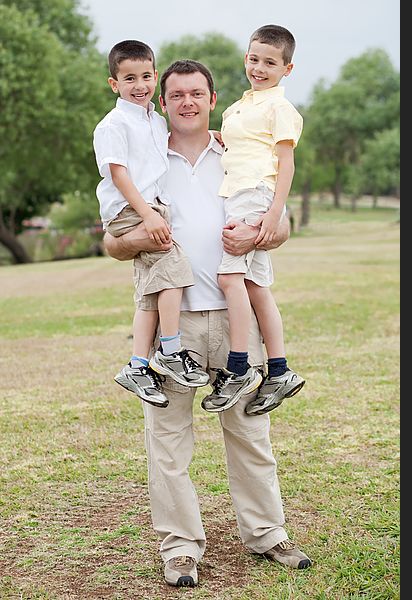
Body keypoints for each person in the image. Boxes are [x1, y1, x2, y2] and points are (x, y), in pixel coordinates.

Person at [104, 60, 312, 588]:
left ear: (213, 99)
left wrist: (258, 237)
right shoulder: (145, 159)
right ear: (162, 102)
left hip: (233, 317)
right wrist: (141, 238)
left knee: (249, 432)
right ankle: (179, 548)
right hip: (173, 325)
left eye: (197, 93)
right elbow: (111, 242)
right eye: (177, 95)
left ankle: (266, 534)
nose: (188, 102)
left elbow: (279, 224)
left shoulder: (238, 151)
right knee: (168, 441)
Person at [93, 40, 209, 408]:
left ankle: (138, 364)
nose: (139, 84)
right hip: (132, 207)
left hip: (150, 205)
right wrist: (147, 214)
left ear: (154, 76)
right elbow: (119, 173)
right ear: (114, 84)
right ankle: (170, 351)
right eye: (129, 78)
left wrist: (216, 137)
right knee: (175, 268)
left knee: (150, 290)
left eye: (145, 76)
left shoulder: (154, 120)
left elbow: (167, 147)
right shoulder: (114, 124)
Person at [201, 25, 305, 416]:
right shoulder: (238, 107)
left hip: (256, 195)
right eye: (254, 59)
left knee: (229, 278)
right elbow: (242, 144)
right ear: (246, 57)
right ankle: (279, 370)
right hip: (238, 194)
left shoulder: (280, 108)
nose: (259, 68)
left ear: (287, 69)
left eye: (270, 63)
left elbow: (285, 162)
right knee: (256, 285)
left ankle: (240, 366)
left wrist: (272, 216)